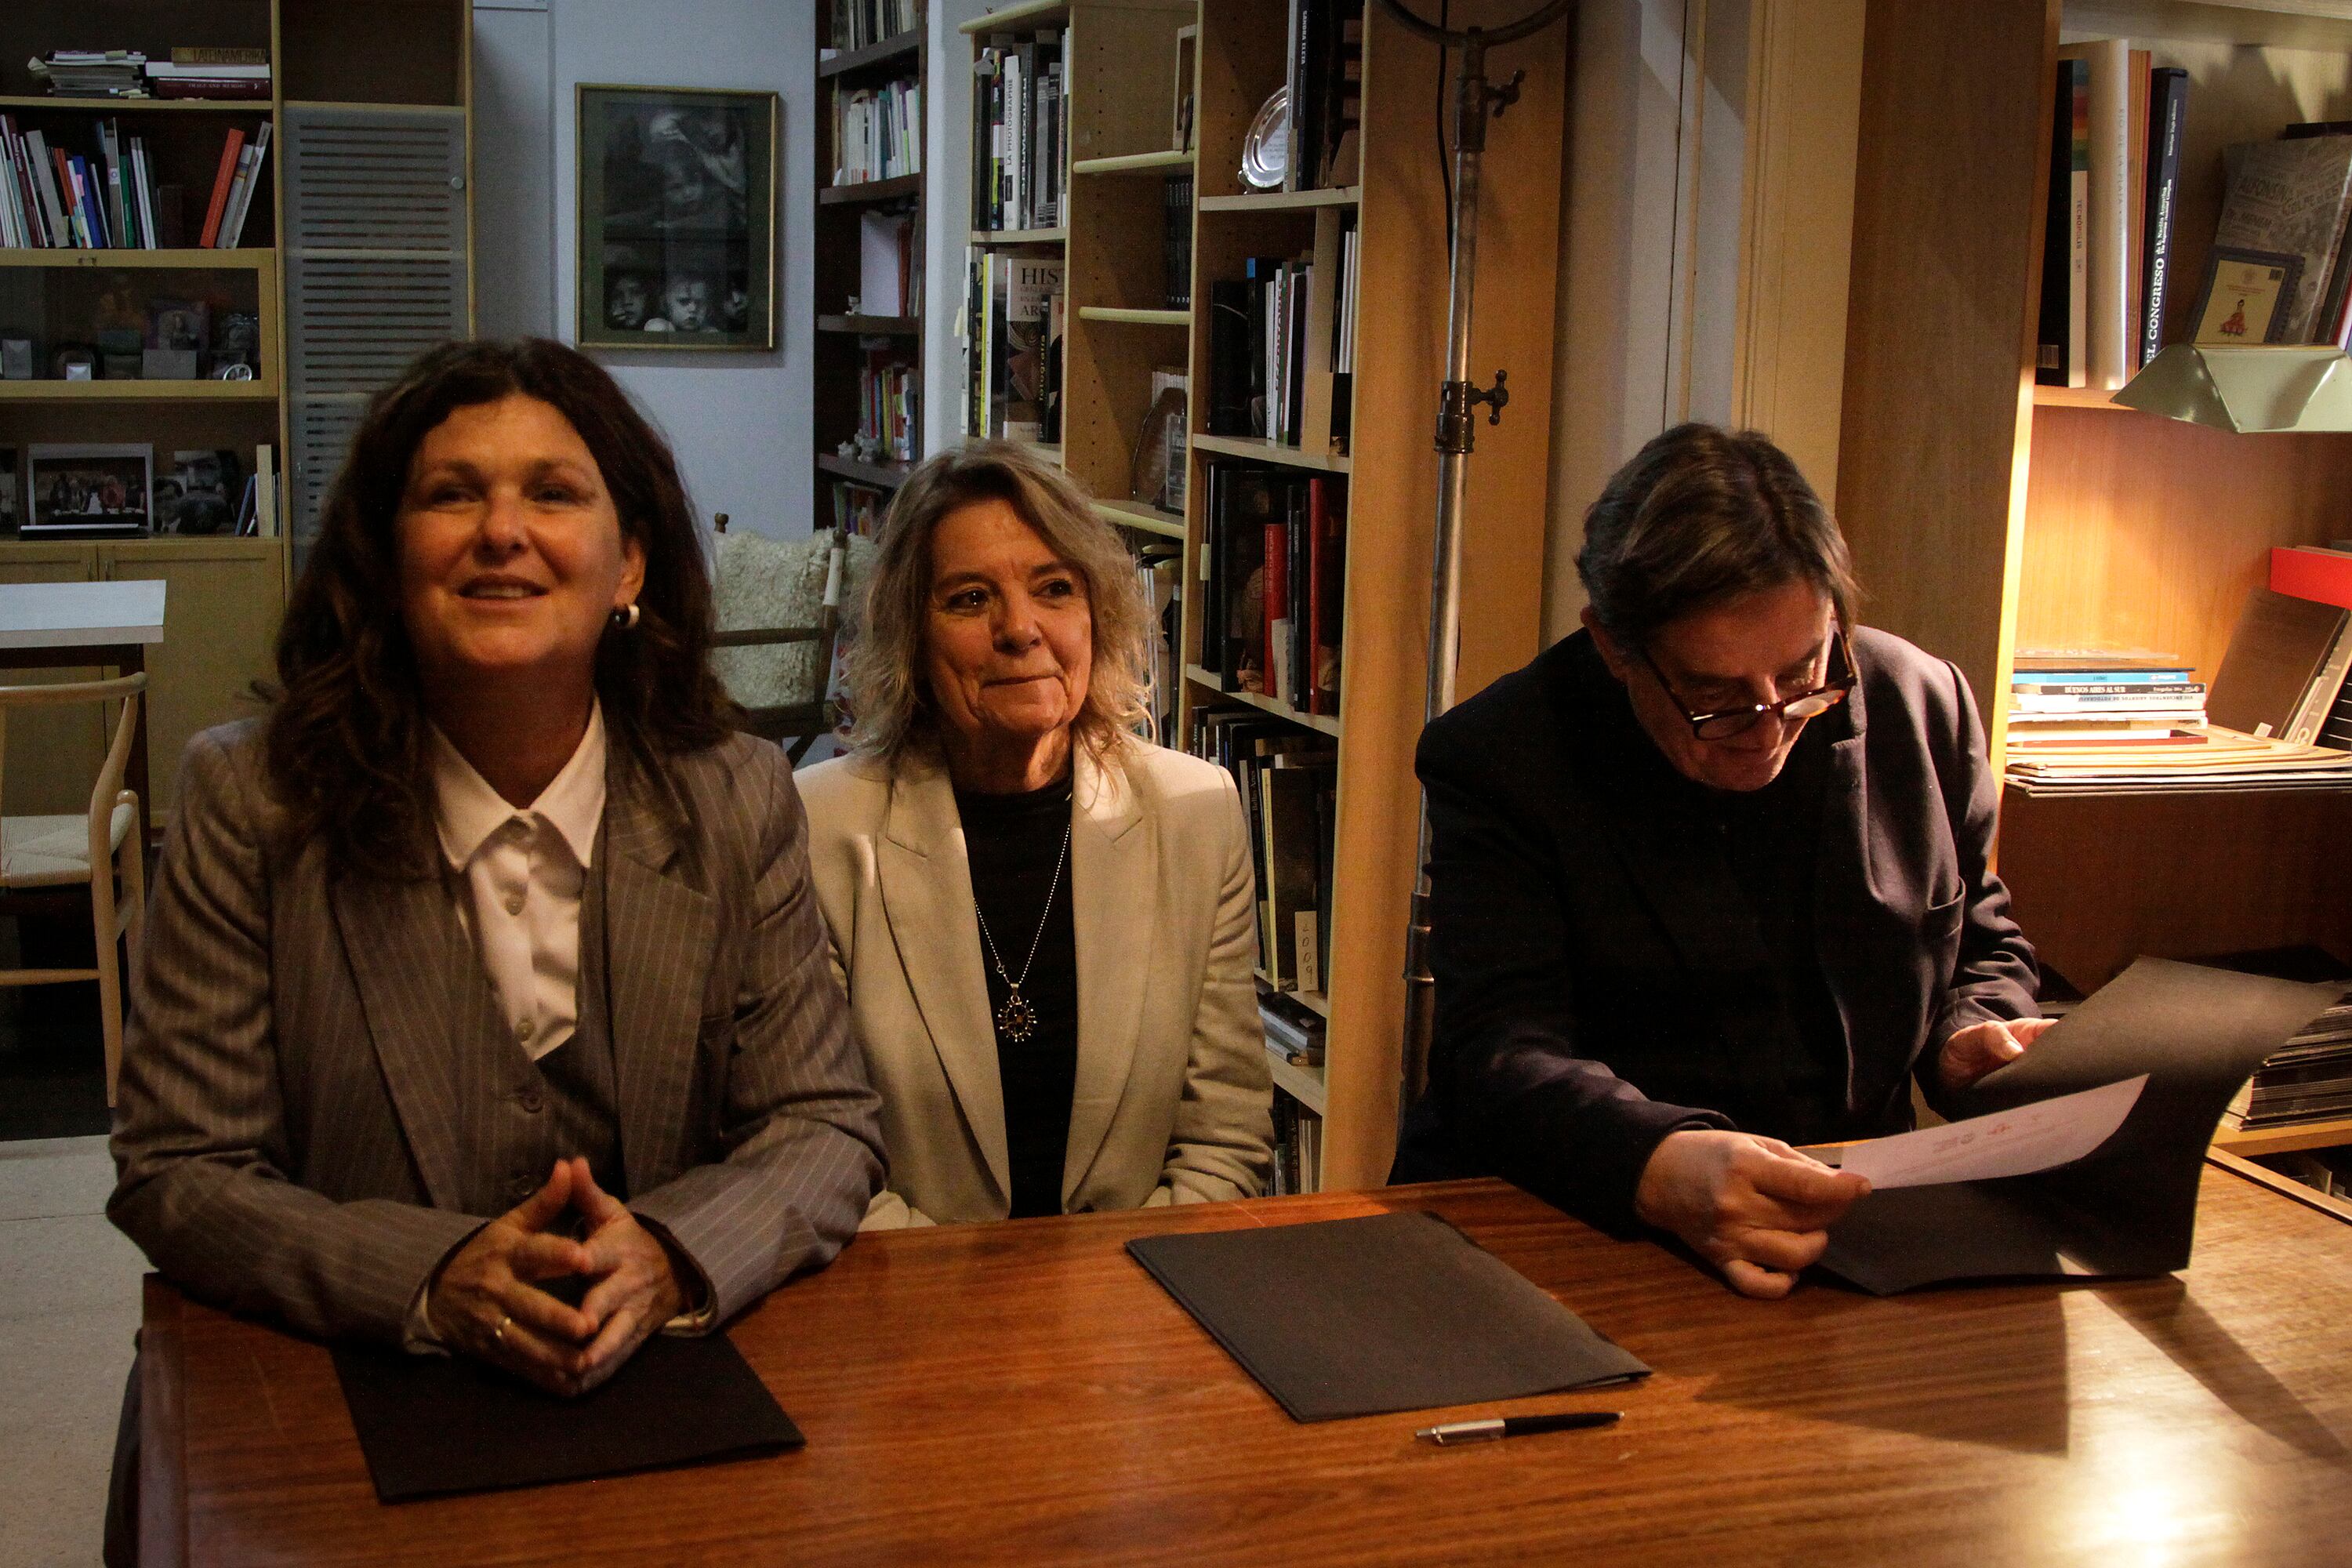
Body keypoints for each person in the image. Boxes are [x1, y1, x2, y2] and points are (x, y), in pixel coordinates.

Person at [107, 337, 884, 1541]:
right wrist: (427, 1275)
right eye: (452, 493)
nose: (501, 531)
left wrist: (676, 1253)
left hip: (672, 1408)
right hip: (348, 1422)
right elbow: (180, 1170)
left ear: (628, 563)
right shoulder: (250, 803)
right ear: (385, 557)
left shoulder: (735, 796)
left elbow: (823, 1122)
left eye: (554, 493)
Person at [1392, 423, 2045, 1299]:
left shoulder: (1922, 703)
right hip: (1573, 1236)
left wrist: (1971, 1028)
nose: (1771, 724)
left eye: (1804, 671)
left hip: (1848, 1242)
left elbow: (1978, 938)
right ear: (1613, 645)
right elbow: (1499, 1050)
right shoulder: (1505, 755)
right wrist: (1657, 1163)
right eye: (1714, 696)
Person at [799, 441, 1273, 1226]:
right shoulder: (819, 829)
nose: (1020, 629)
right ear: (912, 637)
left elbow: (1225, 1136)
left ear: (1098, 614)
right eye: (969, 599)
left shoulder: (1198, 812)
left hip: (1136, 1303)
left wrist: (1108, 1307)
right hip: (914, 1305)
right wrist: (979, 1311)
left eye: (1054, 588)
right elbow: (818, 1151)